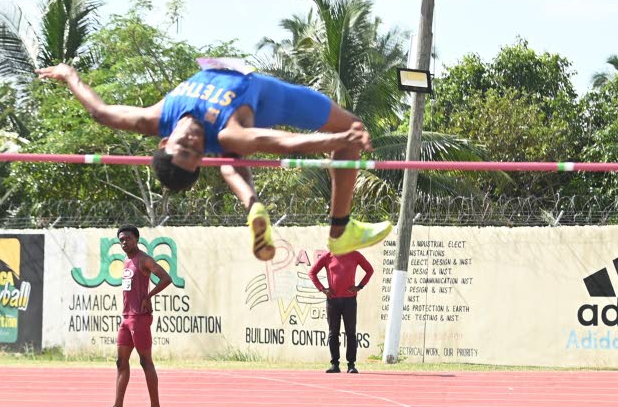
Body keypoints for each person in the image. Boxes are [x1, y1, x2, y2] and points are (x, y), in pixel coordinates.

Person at [37, 58, 392, 262]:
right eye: (195, 152)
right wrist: (339, 138)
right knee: (351, 128)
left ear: (165, 139)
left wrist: (70, 75)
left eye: (184, 147)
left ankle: (257, 207)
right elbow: (278, 141)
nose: (193, 142)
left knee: (231, 159)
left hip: (252, 80)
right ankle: (341, 229)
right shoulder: (224, 133)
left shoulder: (155, 117)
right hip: (273, 98)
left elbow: (101, 113)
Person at [93, 224, 173, 407]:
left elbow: (166, 278)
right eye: (121, 239)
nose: (124, 242)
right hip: (126, 317)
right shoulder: (126, 259)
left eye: (127, 238)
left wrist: (149, 296)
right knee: (121, 362)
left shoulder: (144, 259)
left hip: (139, 318)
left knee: (146, 361)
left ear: (136, 239)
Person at [308, 248, 374, 374]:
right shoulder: (328, 256)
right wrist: (323, 289)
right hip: (332, 301)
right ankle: (335, 364)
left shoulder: (355, 254)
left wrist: (359, 286)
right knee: (333, 333)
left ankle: (351, 365)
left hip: (349, 301)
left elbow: (369, 270)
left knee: (351, 333)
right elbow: (312, 273)